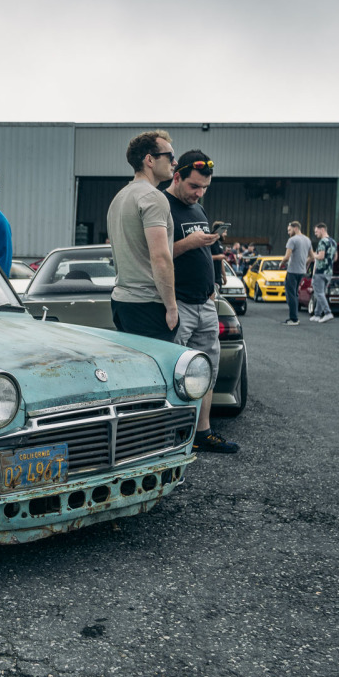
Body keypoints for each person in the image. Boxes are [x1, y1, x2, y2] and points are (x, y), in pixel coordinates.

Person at [166, 152, 238, 454]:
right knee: (173, 371)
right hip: (178, 302)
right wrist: (190, 243)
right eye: (194, 186)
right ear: (177, 176)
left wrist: (211, 289)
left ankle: (203, 432)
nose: (199, 193)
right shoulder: (162, 206)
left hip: (204, 302)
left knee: (206, 368)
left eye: (205, 188)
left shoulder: (198, 208)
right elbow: (154, 254)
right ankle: (168, 437)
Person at [107, 131, 178, 342]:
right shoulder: (153, 198)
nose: (175, 162)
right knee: (158, 372)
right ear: (149, 159)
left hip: (122, 301)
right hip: (148, 304)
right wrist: (172, 307)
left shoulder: (119, 197)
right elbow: (160, 257)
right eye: (170, 156)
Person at [278, 221, 312, 325]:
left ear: (296, 228)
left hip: (292, 271)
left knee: (291, 295)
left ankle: (293, 319)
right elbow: (312, 256)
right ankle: (295, 317)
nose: (288, 232)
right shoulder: (307, 239)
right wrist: (304, 263)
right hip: (301, 271)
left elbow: (287, 257)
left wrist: (281, 264)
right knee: (295, 294)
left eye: (289, 230)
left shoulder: (292, 240)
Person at [309, 222, 336, 323]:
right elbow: (335, 257)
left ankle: (328, 313)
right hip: (329, 271)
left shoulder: (322, 242)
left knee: (319, 293)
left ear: (322, 230)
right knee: (322, 293)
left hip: (320, 271)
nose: (316, 234)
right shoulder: (333, 242)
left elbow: (320, 256)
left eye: (316, 232)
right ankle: (317, 314)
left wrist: (313, 255)